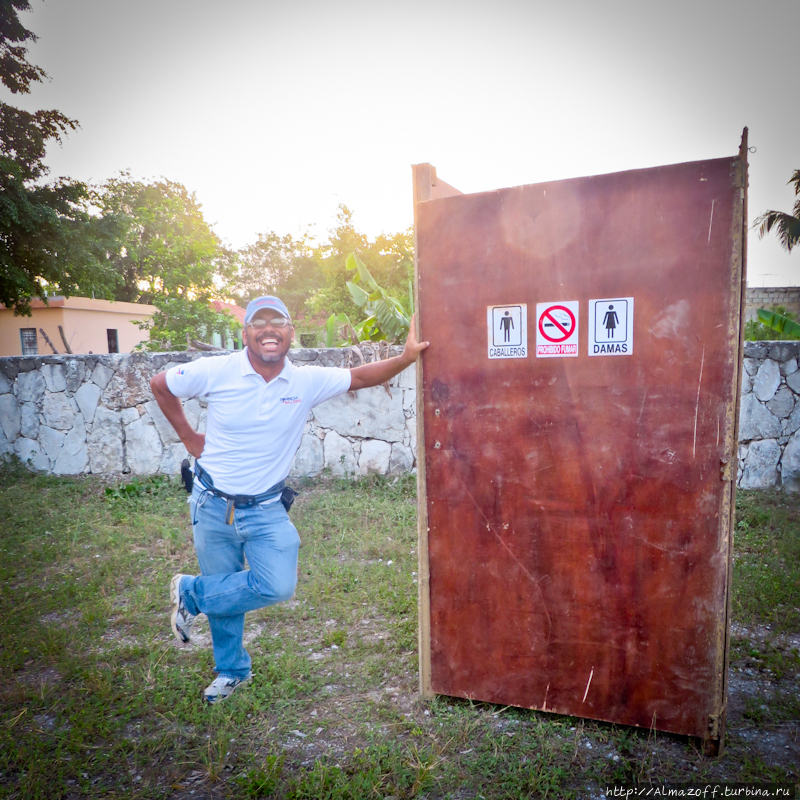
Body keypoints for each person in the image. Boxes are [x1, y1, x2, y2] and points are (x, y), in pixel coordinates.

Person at [150, 296, 429, 704]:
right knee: (227, 594)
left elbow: (361, 376)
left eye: (277, 321)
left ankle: (191, 594)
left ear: (289, 332)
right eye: (258, 322)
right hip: (212, 504)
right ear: (245, 333)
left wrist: (405, 358)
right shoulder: (216, 371)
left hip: (265, 508)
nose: (268, 329)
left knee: (275, 584)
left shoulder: (305, 381)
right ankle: (231, 672)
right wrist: (190, 438)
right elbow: (161, 384)